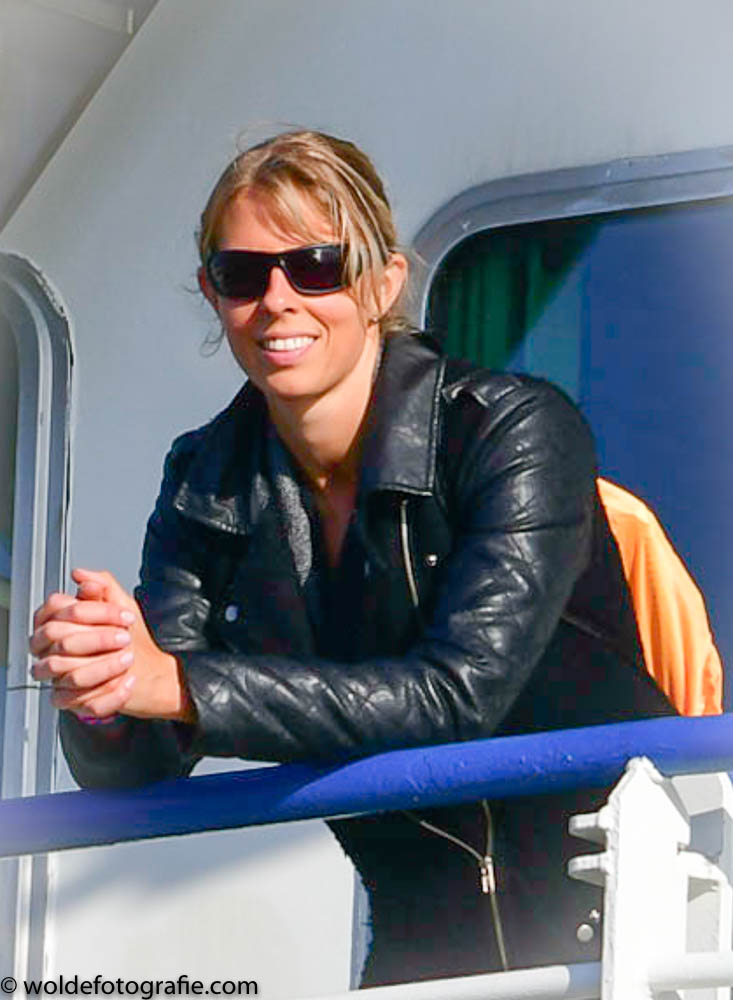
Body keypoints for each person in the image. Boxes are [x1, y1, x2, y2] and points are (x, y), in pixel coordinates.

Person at [30, 130, 678, 986]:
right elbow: (144, 756)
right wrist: (104, 692)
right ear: (212, 294)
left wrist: (177, 687)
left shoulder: (511, 431)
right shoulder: (206, 477)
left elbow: (459, 696)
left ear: (381, 283)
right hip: (422, 947)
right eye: (241, 274)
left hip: (626, 931)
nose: (277, 300)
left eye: (317, 267)